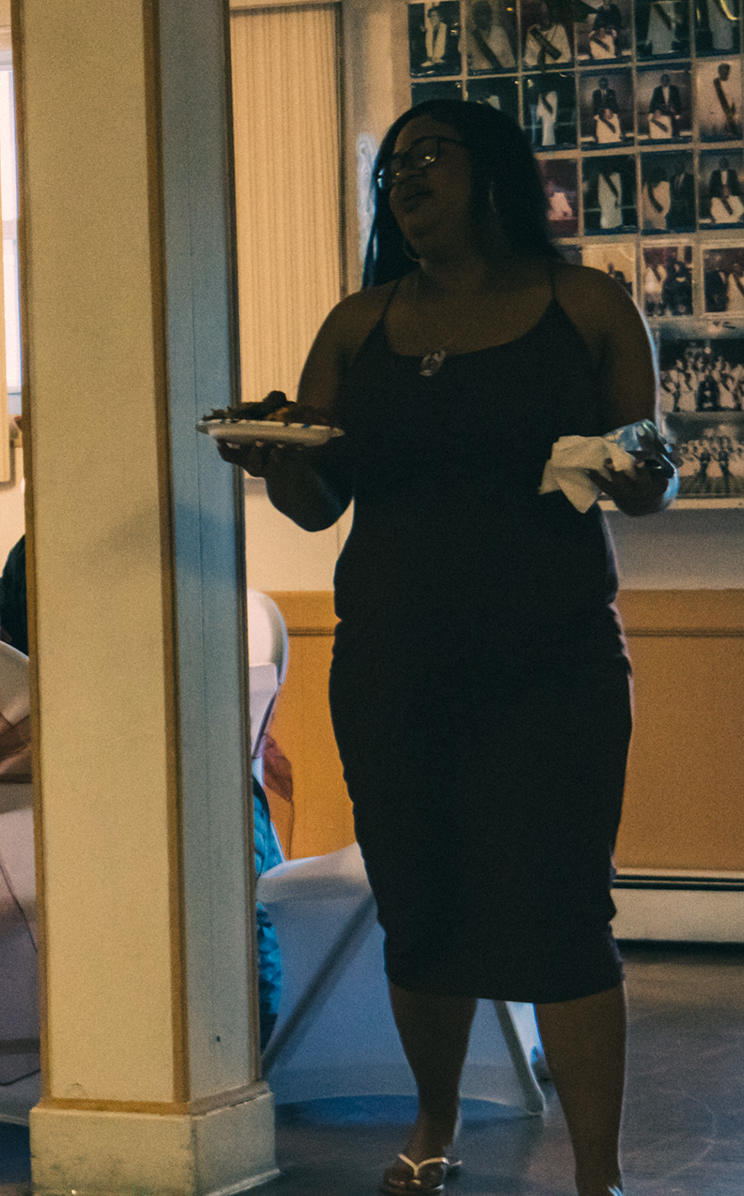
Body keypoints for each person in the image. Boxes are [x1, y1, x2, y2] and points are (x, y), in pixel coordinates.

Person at [217, 99, 674, 1196]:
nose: (407, 177)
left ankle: (599, 1175)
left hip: (553, 664)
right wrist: (275, 459)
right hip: (395, 665)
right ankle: (433, 1120)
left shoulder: (586, 305)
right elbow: (318, 501)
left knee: (563, 909)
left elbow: (648, 473)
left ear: (495, 171)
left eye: (431, 155)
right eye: (393, 166)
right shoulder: (357, 326)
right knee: (420, 905)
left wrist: (637, 467)